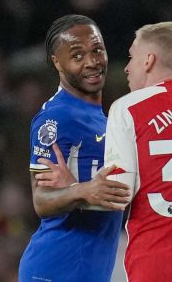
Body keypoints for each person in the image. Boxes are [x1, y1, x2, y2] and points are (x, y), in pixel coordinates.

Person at [40, 21, 172, 281]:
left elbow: (117, 194)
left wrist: (74, 188)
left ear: (148, 60)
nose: (126, 67)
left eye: (132, 57)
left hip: (159, 266)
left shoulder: (129, 108)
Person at [18, 14, 131, 282]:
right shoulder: (56, 118)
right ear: (57, 62)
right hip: (55, 269)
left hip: (89, 270)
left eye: (97, 50)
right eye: (77, 56)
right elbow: (41, 201)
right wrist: (83, 190)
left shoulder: (104, 119)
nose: (92, 62)